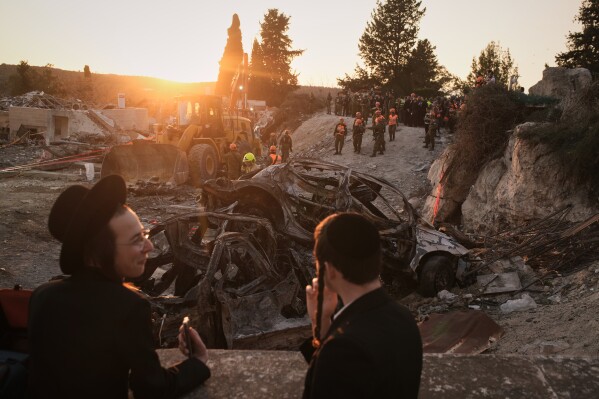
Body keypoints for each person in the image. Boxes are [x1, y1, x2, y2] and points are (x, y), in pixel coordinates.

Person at [28, 175, 210, 399]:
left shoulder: (42, 296)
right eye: (136, 239)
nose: (149, 246)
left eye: (144, 234)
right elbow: (151, 388)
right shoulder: (129, 308)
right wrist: (197, 362)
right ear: (102, 250)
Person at [301, 213, 422, 398]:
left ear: (330, 270)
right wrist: (322, 320)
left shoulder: (343, 349)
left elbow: (334, 370)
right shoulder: (404, 318)